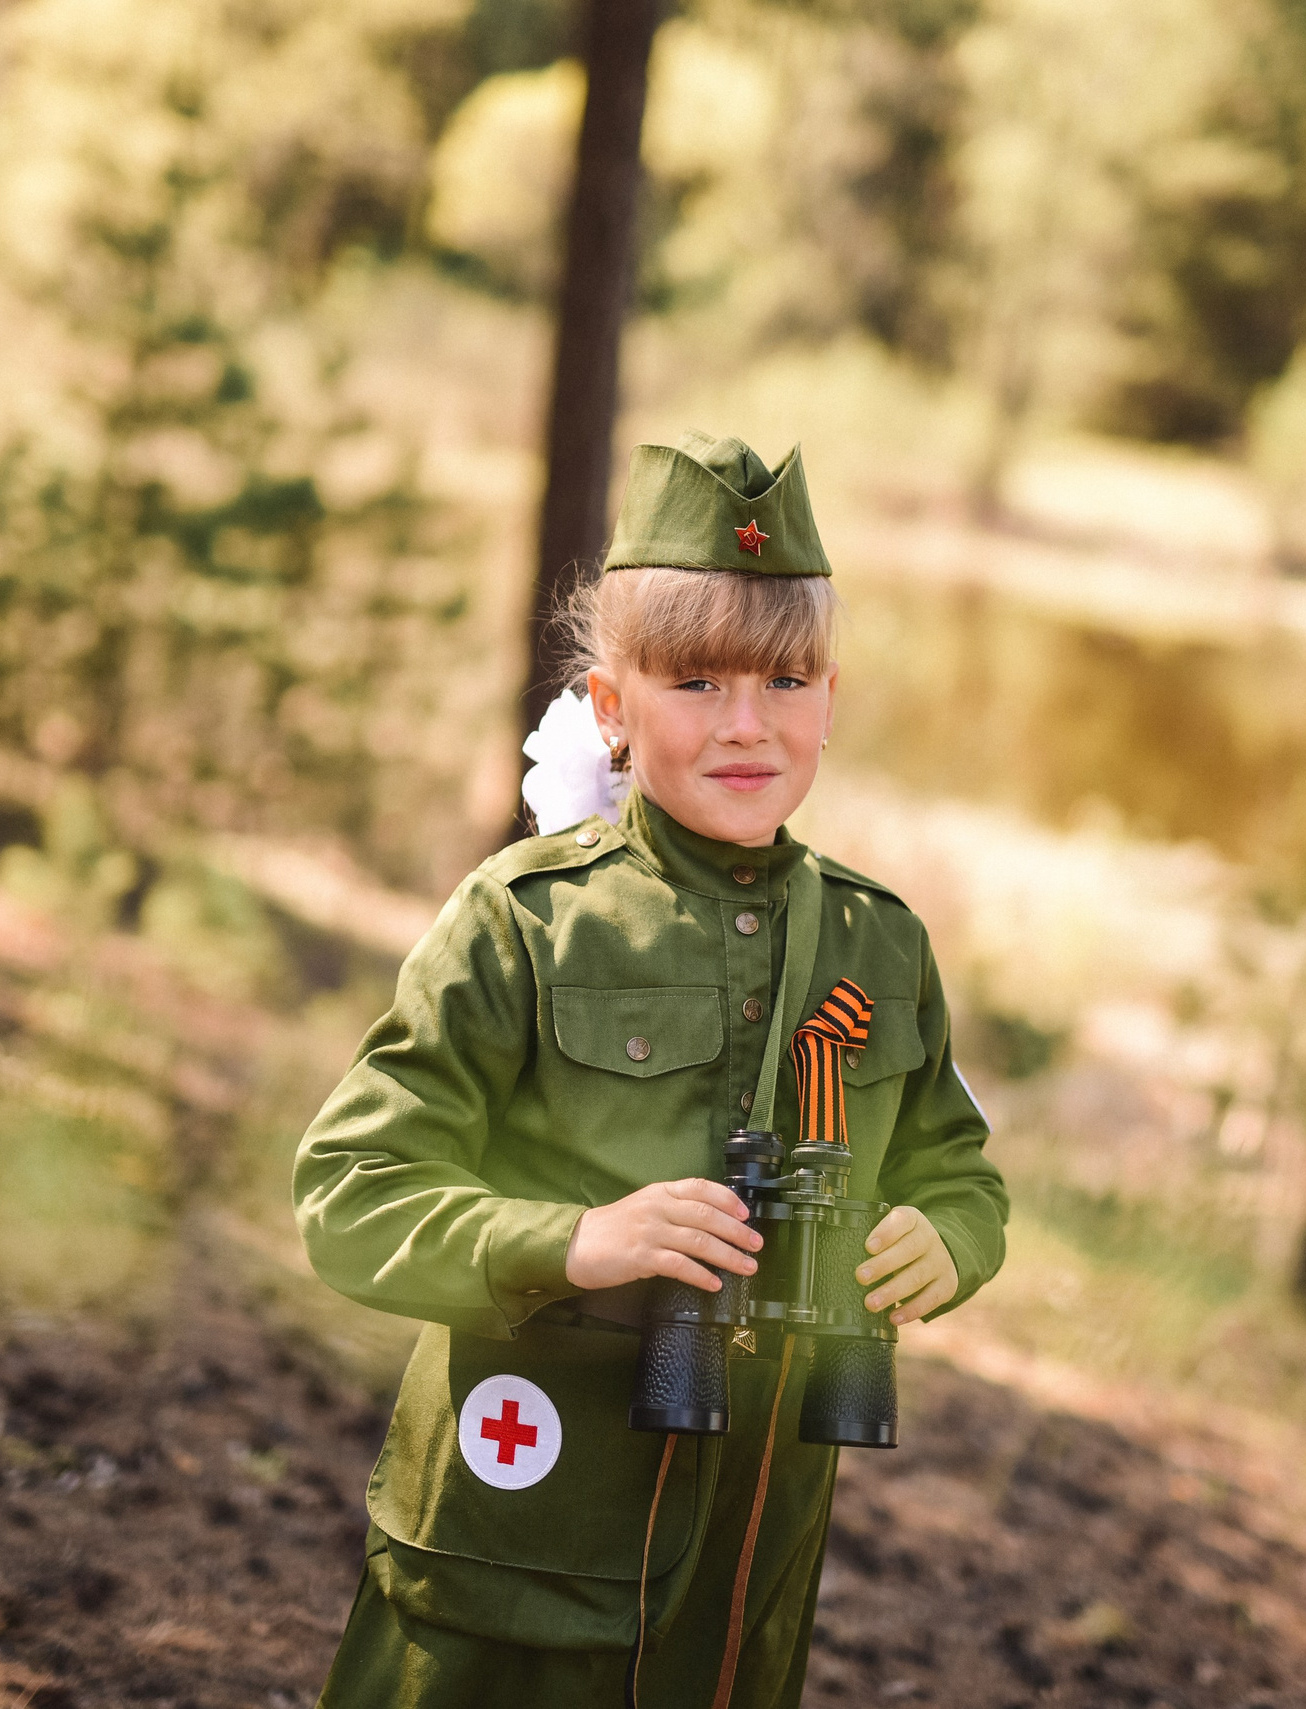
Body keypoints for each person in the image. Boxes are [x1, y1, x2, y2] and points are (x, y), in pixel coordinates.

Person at [295, 431, 1009, 1708]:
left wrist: (946, 1238)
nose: (749, 724)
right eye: (696, 682)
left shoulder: (877, 942)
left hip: (743, 1579)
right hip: (509, 1552)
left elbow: (956, 1167)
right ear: (613, 707)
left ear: (833, 698)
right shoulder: (526, 918)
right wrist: (574, 1241)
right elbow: (352, 1194)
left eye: (788, 680)